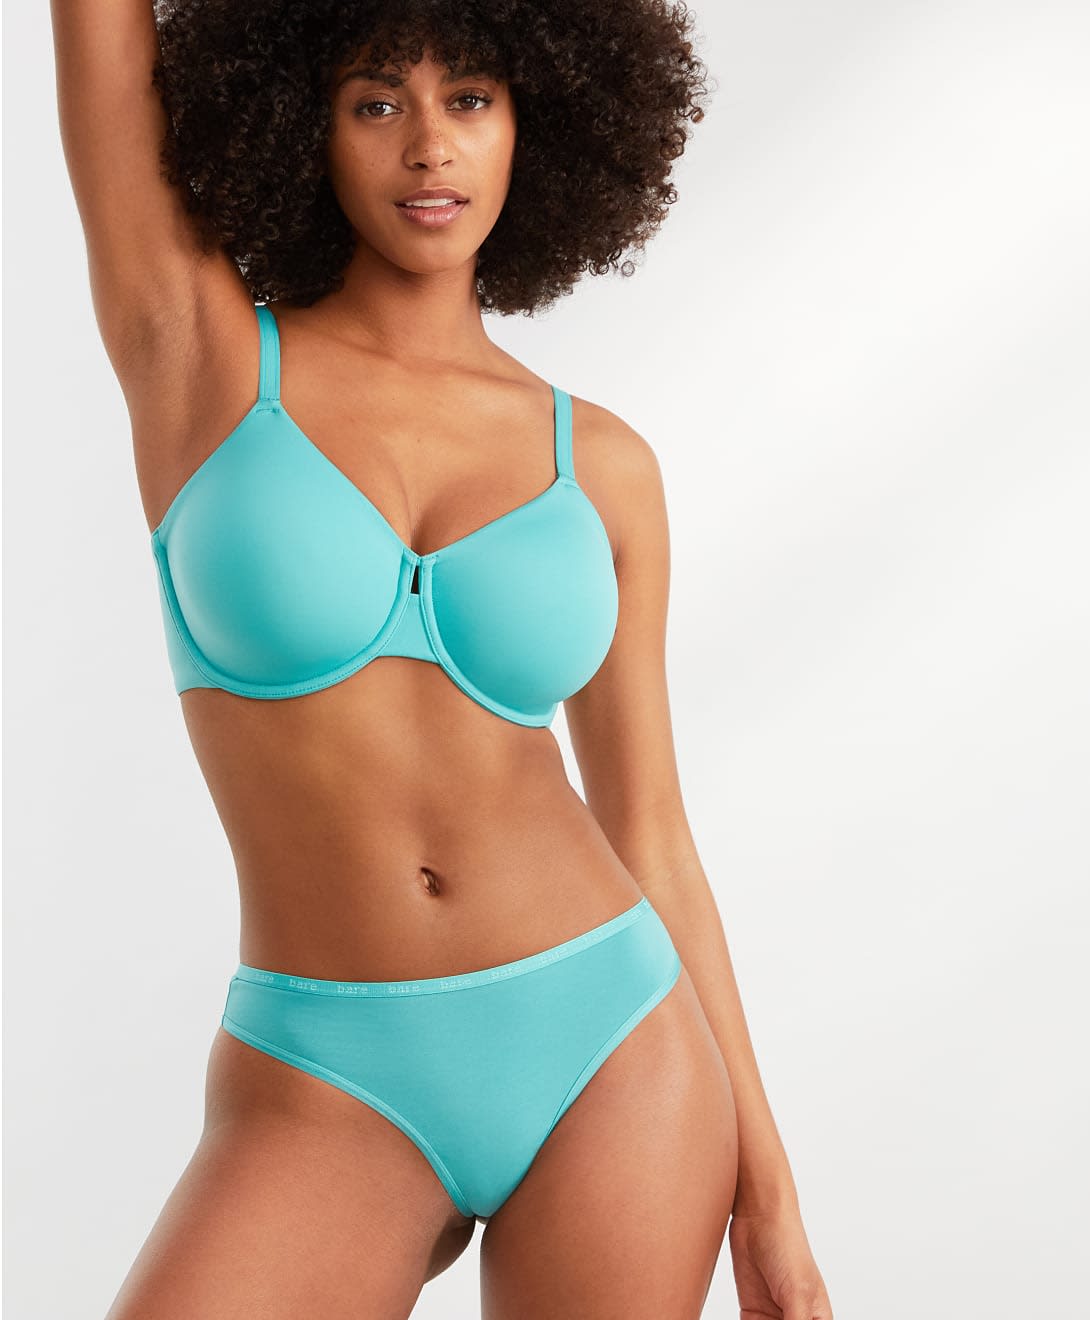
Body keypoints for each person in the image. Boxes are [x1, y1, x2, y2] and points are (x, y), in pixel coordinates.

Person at [51, 0, 834, 1316]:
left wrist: (773, 1199)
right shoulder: (198, 357)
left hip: (611, 1047)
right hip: (325, 1074)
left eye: (470, 99)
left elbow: (650, 828)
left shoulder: (602, 465)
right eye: (376, 102)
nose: (428, 146)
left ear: (537, 120)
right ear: (301, 122)